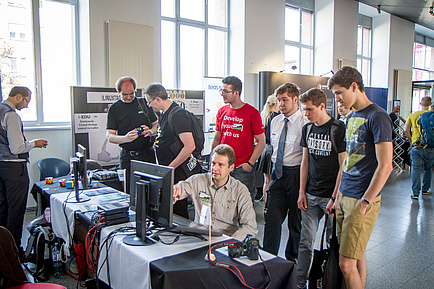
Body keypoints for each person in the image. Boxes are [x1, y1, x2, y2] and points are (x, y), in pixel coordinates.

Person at [327, 66, 393, 289]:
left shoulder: (379, 117)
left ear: (354, 86)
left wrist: (366, 200)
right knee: (356, 253)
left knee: (346, 264)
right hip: (346, 194)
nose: (337, 99)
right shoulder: (353, 115)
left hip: (361, 198)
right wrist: (337, 195)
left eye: (339, 93)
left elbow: (386, 166)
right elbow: (349, 160)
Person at [296, 88, 346, 289]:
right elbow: (305, 161)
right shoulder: (307, 129)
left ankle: (327, 282)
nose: (305, 114)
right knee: (305, 242)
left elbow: (344, 165)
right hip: (311, 194)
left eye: (309, 110)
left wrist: (335, 196)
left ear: (322, 106)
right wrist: (301, 191)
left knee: (330, 244)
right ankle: (300, 283)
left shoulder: (338, 128)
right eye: (304, 110)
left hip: (331, 196)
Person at [173, 144, 258, 241]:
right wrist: (172, 192)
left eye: (221, 165)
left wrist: (232, 242)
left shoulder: (240, 191)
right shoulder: (197, 180)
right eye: (213, 163)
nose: (215, 168)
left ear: (231, 168)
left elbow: (250, 226)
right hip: (197, 237)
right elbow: (176, 191)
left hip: (224, 239)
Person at [263, 82, 308, 262]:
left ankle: (292, 262)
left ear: (295, 99)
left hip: (297, 175)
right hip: (278, 174)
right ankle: (267, 258)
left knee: (295, 224)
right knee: (272, 219)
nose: (281, 104)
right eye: (279, 100)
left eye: (285, 100)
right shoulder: (275, 121)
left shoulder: (305, 122)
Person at [0, 86, 48, 253]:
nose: (27, 105)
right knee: (16, 210)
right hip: (14, 169)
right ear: (19, 97)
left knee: (2, 209)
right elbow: (17, 148)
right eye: (27, 100)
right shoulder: (11, 115)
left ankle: (3, 251)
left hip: (1, 167)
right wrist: (35, 143)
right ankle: (14, 251)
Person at [145, 83, 201, 218]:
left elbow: (189, 146)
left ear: (158, 99)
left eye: (150, 102)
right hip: (170, 170)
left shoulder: (177, 115)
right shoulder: (164, 114)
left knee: (178, 212)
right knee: (170, 209)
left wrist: (170, 168)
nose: (150, 106)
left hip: (178, 172)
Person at [212, 76, 265, 202]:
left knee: (243, 205)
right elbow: (217, 138)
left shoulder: (252, 112)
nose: (222, 94)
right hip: (222, 167)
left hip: (241, 169)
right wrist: (213, 161)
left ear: (236, 93)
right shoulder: (222, 111)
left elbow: (261, 142)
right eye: (222, 91)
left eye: (225, 91)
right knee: (220, 202)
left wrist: (250, 163)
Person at [106, 76, 158, 194]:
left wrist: (150, 131)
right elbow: (110, 136)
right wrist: (125, 138)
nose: (129, 97)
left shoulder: (143, 103)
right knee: (129, 192)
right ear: (119, 92)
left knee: (151, 192)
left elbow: (156, 125)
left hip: (147, 154)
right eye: (125, 94)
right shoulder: (114, 109)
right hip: (127, 157)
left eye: (132, 93)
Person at [404, 96, 434, 200]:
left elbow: (406, 130)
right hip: (430, 147)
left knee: (416, 169)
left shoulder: (413, 115)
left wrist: (411, 140)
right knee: (428, 169)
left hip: (416, 146)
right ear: (430, 104)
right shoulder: (432, 116)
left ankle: (415, 193)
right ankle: (425, 189)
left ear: (421, 104)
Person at [257, 95, 279, 203]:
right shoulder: (277, 117)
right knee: (272, 181)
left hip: (265, 150)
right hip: (272, 151)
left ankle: (266, 204)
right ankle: (271, 204)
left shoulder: (264, 116)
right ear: (276, 104)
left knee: (267, 181)